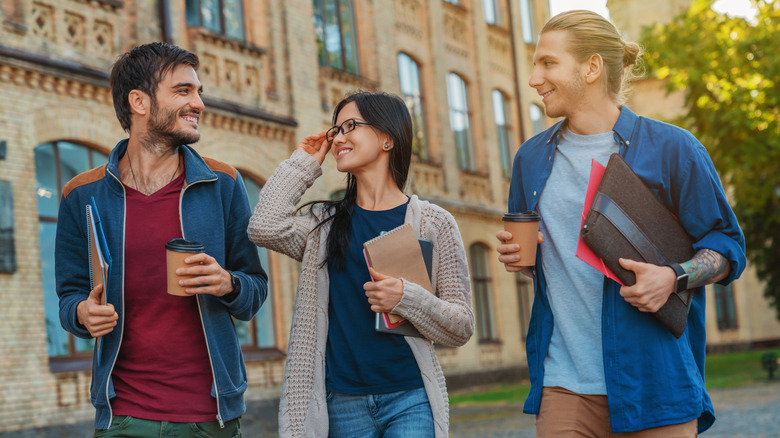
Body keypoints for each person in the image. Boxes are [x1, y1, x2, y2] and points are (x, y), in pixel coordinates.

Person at [495, 10, 746, 437]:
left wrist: (673, 277)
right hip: (565, 384)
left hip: (655, 380)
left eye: (548, 63)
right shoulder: (529, 159)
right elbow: (537, 257)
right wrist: (519, 258)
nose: (534, 78)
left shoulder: (673, 149)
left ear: (591, 67)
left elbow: (727, 247)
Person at [55, 42, 268, 436]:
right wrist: (84, 314)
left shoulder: (223, 184)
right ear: (139, 101)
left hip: (211, 415)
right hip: (123, 416)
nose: (199, 103)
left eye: (199, 91)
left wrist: (228, 283)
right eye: (183, 91)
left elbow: (255, 290)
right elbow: (69, 296)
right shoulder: (82, 195)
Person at [248, 91, 474, 437]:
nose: (338, 137)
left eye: (350, 126)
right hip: (342, 403)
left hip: (410, 397)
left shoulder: (432, 222)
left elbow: (461, 326)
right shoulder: (324, 224)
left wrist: (406, 297)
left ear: (387, 138)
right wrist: (304, 162)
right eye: (335, 129)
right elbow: (264, 226)